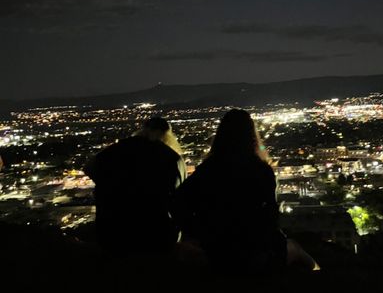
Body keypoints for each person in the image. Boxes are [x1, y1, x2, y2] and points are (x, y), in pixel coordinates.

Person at [173, 108, 318, 273]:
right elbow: (270, 215)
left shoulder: (208, 169)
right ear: (251, 136)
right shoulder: (261, 170)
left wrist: (196, 232)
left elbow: (178, 203)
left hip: (214, 250)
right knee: (298, 252)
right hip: (254, 252)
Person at [85, 116, 186, 254]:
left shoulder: (116, 150)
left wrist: (108, 185)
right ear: (167, 134)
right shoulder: (171, 157)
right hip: (156, 232)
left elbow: (90, 167)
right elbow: (180, 194)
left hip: (112, 228)